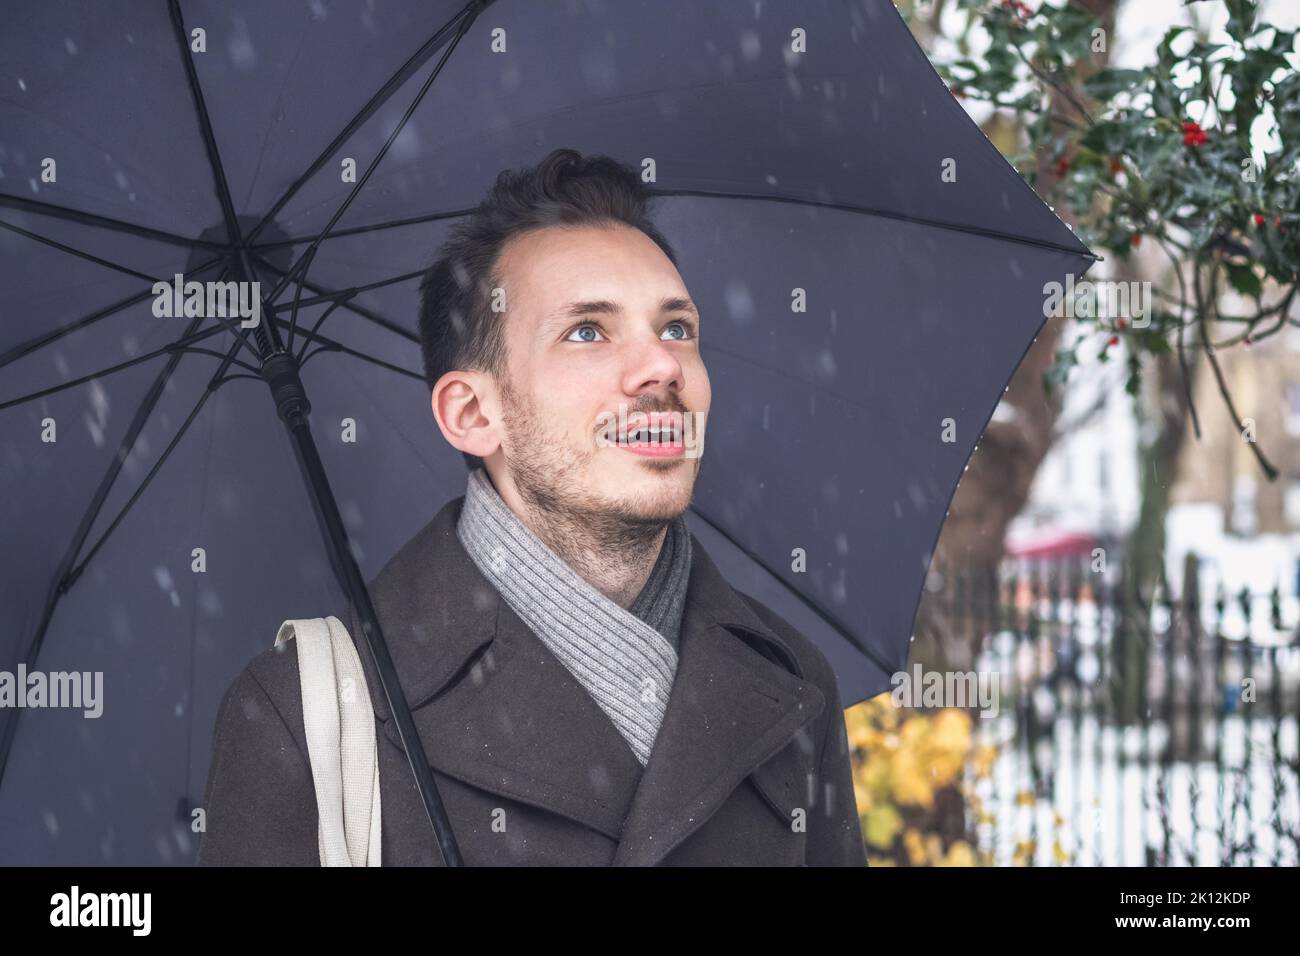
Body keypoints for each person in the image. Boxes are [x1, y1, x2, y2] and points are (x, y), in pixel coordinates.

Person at [196, 148, 867, 866]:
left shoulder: (793, 680)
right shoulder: (308, 713)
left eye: (676, 329)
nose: (663, 366)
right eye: (587, 331)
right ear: (472, 414)